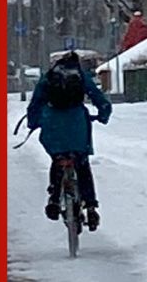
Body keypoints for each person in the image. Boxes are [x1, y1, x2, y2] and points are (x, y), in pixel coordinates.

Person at [27, 50, 111, 231]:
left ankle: (55, 199)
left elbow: (35, 103)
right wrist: (103, 115)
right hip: (77, 124)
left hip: (53, 124)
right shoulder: (81, 76)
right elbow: (99, 98)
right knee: (82, 164)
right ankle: (90, 206)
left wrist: (33, 122)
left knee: (57, 160)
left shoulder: (48, 77)